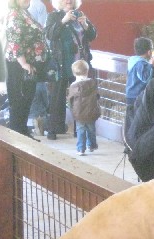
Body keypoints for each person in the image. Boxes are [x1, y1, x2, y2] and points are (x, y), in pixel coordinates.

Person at [44, 0, 96, 140]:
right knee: (57, 97)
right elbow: (49, 35)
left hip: (79, 65)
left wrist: (86, 25)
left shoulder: (80, 14)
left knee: (80, 98)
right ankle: (54, 129)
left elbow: (92, 35)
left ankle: (79, 129)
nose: (69, 1)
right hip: (60, 64)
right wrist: (63, 21)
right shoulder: (54, 16)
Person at [4, 0, 47, 138]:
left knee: (26, 100)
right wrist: (23, 63)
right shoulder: (15, 14)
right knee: (19, 102)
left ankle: (23, 134)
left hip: (28, 64)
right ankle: (17, 137)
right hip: (18, 66)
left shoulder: (24, 13)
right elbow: (14, 41)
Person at [67, 59, 100, 155]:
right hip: (91, 111)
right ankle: (92, 145)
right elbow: (97, 96)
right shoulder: (92, 83)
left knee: (80, 130)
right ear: (87, 71)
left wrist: (71, 109)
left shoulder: (73, 86)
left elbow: (70, 100)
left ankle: (81, 149)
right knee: (91, 129)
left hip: (79, 113)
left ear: (74, 73)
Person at [126, 37, 154, 123]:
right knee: (138, 119)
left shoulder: (133, 60)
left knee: (132, 118)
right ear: (149, 52)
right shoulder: (141, 64)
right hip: (137, 95)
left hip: (130, 95)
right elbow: (145, 78)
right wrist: (150, 64)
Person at [28, 0, 49, 136]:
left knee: (32, 86)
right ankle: (41, 118)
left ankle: (34, 119)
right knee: (40, 86)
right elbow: (43, 30)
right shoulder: (39, 5)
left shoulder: (14, 7)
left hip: (24, 56)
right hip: (39, 54)